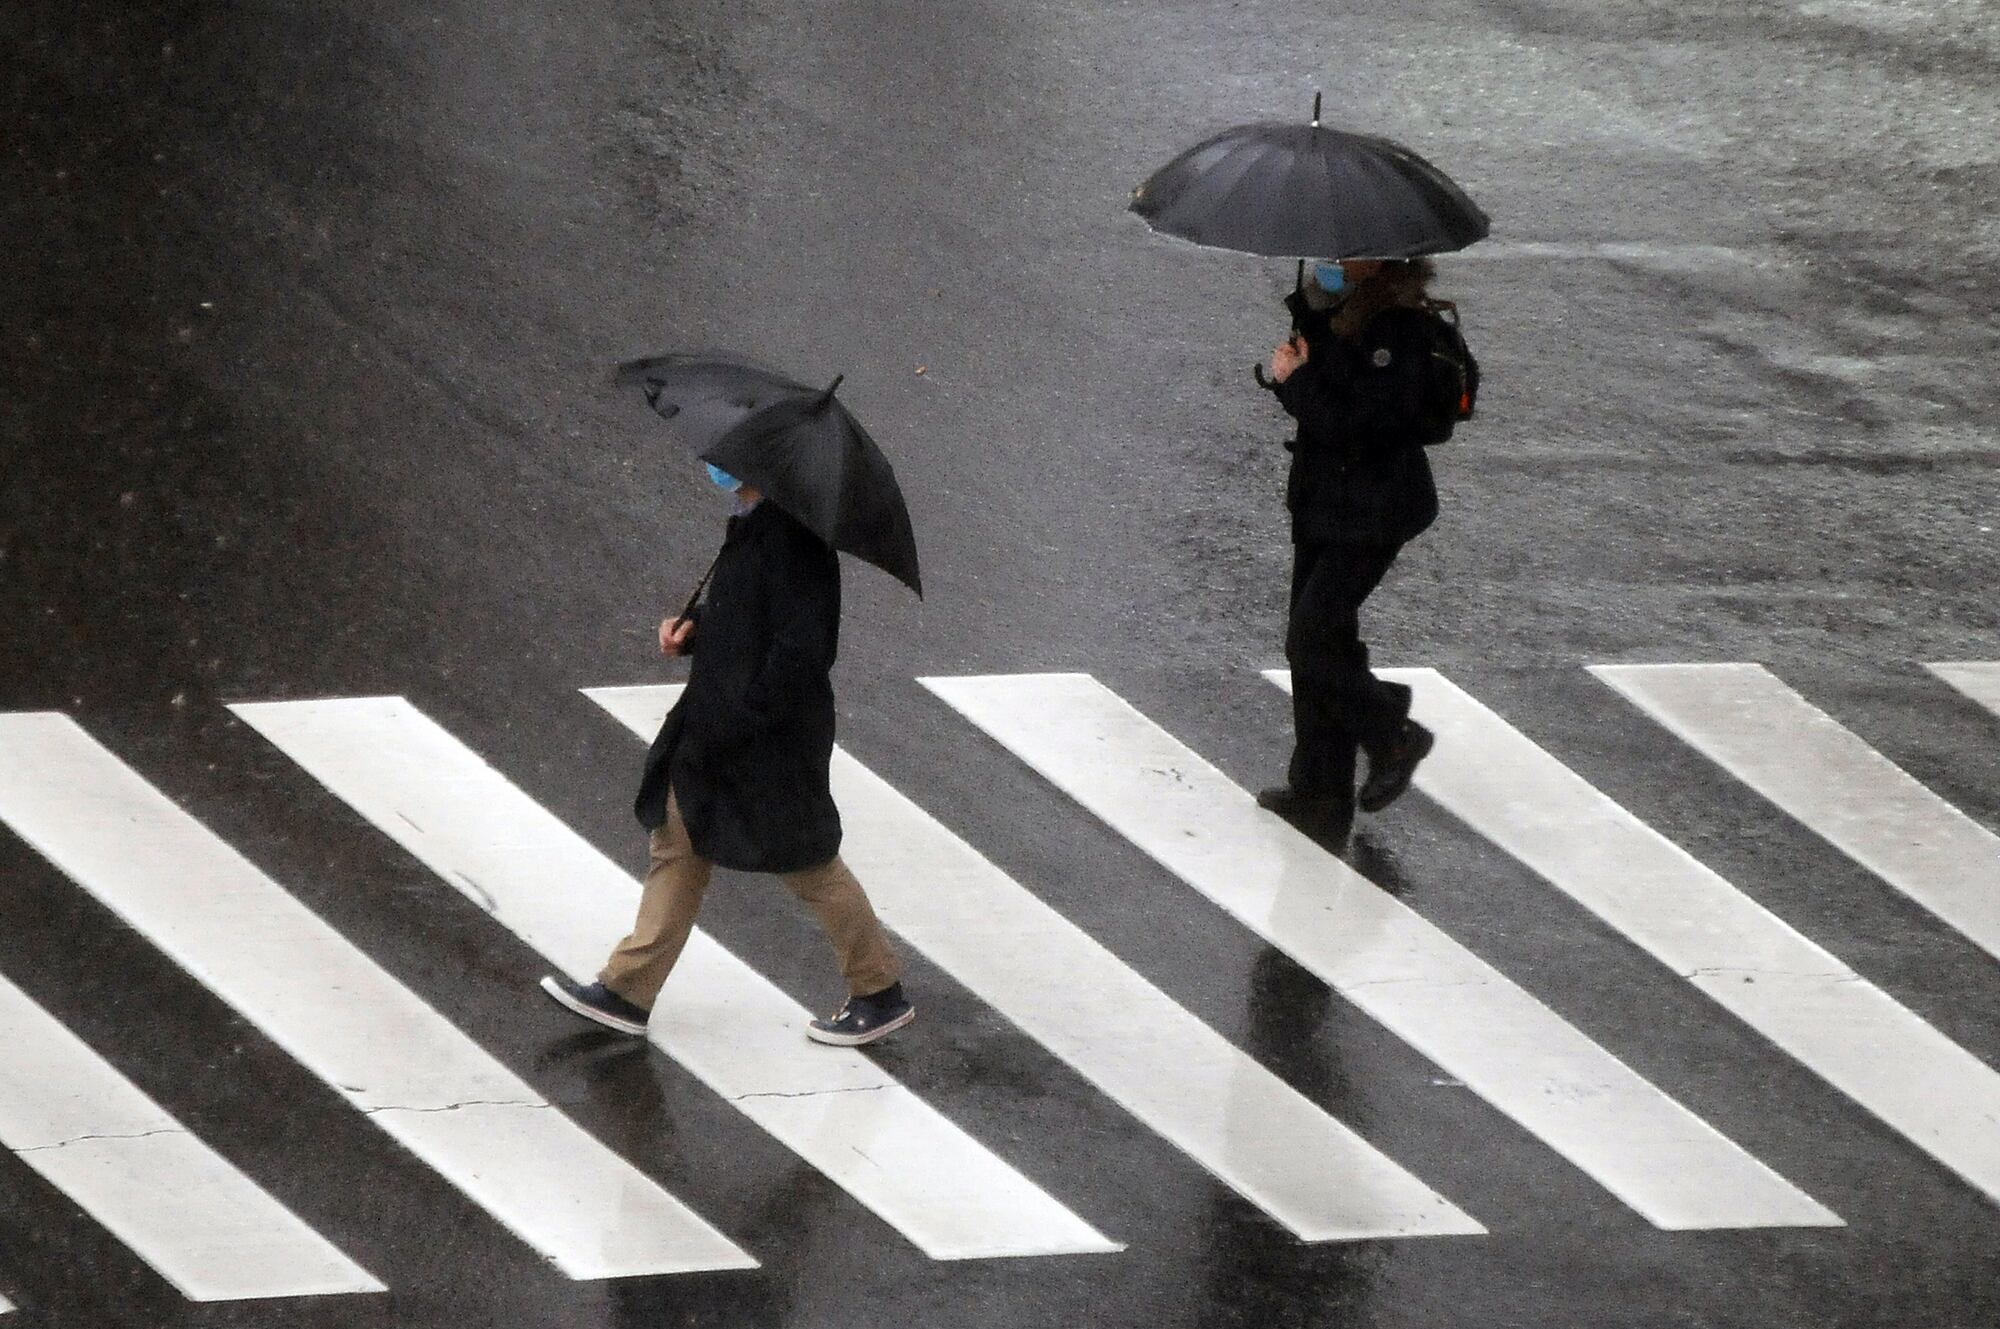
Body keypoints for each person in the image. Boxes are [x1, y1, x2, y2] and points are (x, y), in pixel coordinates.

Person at [541, 463, 914, 1046]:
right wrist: (694, 632)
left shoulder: (793, 539)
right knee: (678, 842)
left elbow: (803, 649)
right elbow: (749, 621)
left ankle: (878, 992)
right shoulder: (757, 525)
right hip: (720, 726)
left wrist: (747, 715)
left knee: (805, 861)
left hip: (766, 738)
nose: (713, 464)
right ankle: (626, 991)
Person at [1256, 257, 1445, 842]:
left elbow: (1357, 424)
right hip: (1322, 499)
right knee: (1319, 641)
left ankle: (1392, 731)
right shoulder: (1330, 306)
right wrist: (1306, 327)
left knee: (1310, 638)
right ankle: (1319, 791)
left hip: (1374, 509)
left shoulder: (1398, 330)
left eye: (1348, 252)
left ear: (1383, 260)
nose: (1334, 259)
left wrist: (1297, 381)